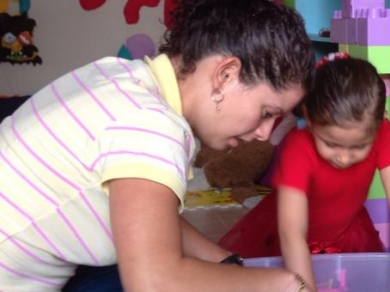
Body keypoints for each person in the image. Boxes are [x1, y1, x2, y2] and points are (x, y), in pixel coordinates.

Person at [0, 0, 315, 291]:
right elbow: (153, 282)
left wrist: (227, 263)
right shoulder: (152, 127)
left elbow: (148, 215)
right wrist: (281, 284)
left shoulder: (121, 75)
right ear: (226, 75)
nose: (263, 133)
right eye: (266, 113)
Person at [219, 54, 390, 291]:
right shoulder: (298, 148)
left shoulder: (383, 133)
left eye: (359, 146)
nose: (344, 157)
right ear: (310, 119)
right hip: (290, 237)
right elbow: (292, 233)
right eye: (331, 144)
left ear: (379, 122)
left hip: (348, 233)